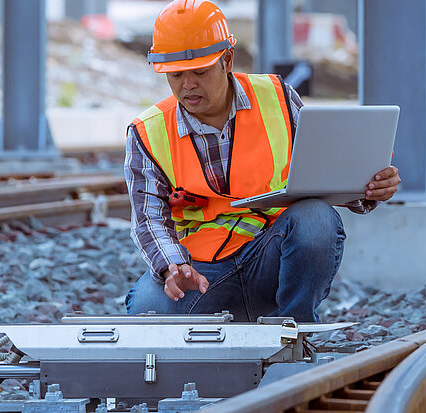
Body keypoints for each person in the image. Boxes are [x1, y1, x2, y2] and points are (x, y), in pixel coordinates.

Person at [122, 0, 400, 322]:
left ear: (227, 60)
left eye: (199, 71)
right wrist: (173, 266)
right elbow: (148, 219)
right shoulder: (147, 132)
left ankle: (294, 331)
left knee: (315, 219)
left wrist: (367, 189)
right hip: (201, 272)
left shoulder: (277, 98)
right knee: (146, 309)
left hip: (271, 256)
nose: (188, 85)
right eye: (176, 74)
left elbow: (328, 173)